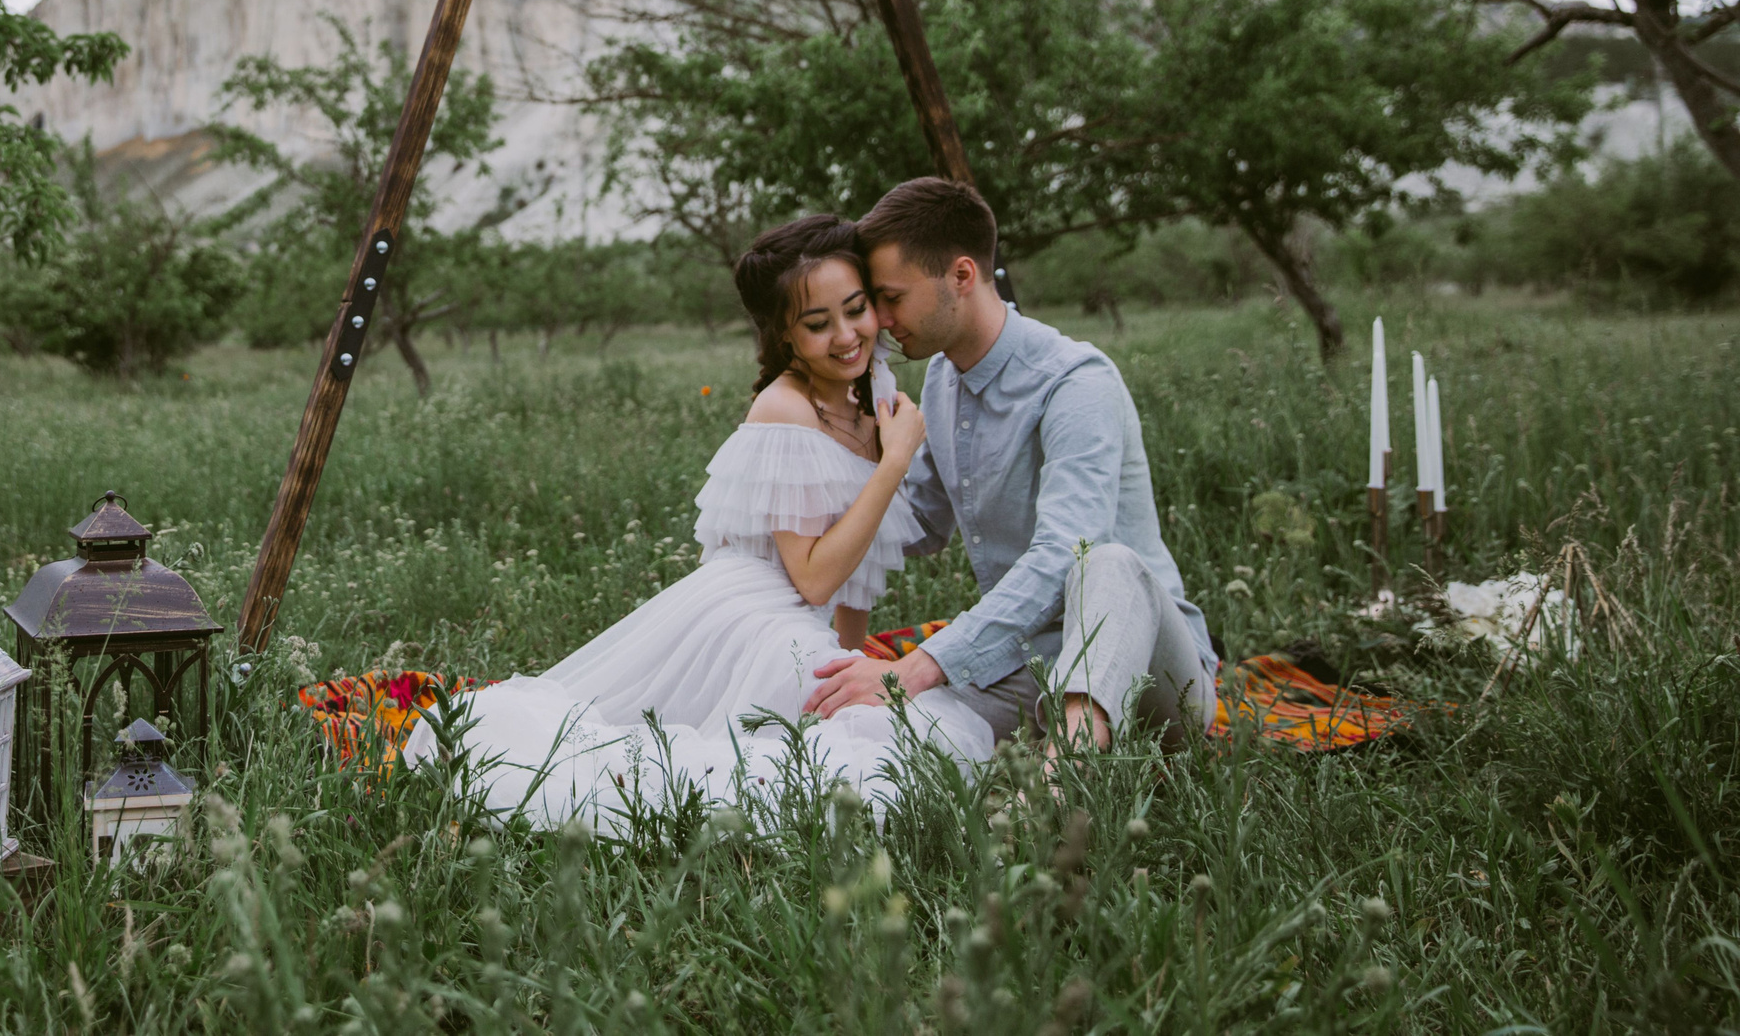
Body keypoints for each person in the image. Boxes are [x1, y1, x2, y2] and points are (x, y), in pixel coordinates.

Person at [406, 215, 992, 831]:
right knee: (801, 776)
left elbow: (857, 575)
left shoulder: (871, 392)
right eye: (818, 325)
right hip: (753, 613)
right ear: (786, 336)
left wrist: (848, 666)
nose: (846, 336)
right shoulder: (785, 408)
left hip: (797, 622)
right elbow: (815, 579)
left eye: (856, 310)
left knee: (878, 734)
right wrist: (894, 462)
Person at [803, 178, 1217, 760]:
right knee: (878, 736)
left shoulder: (1076, 381)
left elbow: (1061, 554)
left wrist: (919, 666)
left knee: (1105, 561)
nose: (881, 319)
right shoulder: (944, 380)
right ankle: (1047, 763)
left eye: (892, 297)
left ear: (962, 277)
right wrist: (796, 523)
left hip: (1157, 680)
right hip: (1028, 662)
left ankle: (1062, 793)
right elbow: (915, 525)